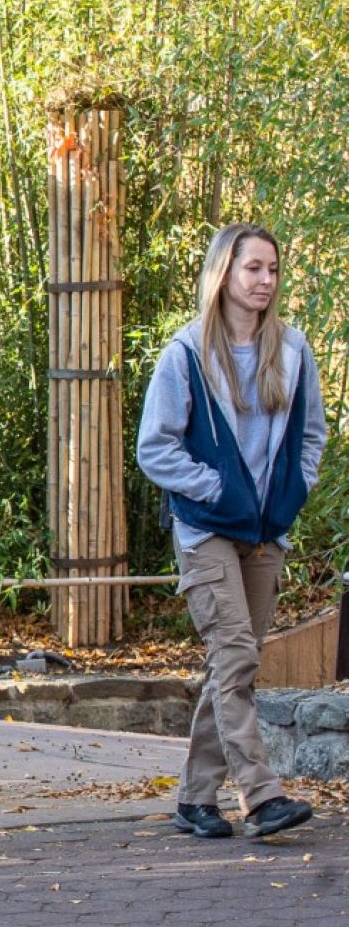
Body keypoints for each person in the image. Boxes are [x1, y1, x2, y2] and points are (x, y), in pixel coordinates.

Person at [137, 223, 325, 840]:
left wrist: (292, 489)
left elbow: (312, 437)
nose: (265, 280)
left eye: (273, 269)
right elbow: (154, 448)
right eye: (253, 269)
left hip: (267, 532)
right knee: (237, 655)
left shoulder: (293, 352)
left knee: (231, 665)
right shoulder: (186, 353)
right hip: (207, 528)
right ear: (225, 272)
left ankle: (194, 799)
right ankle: (262, 795)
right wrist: (218, 489)